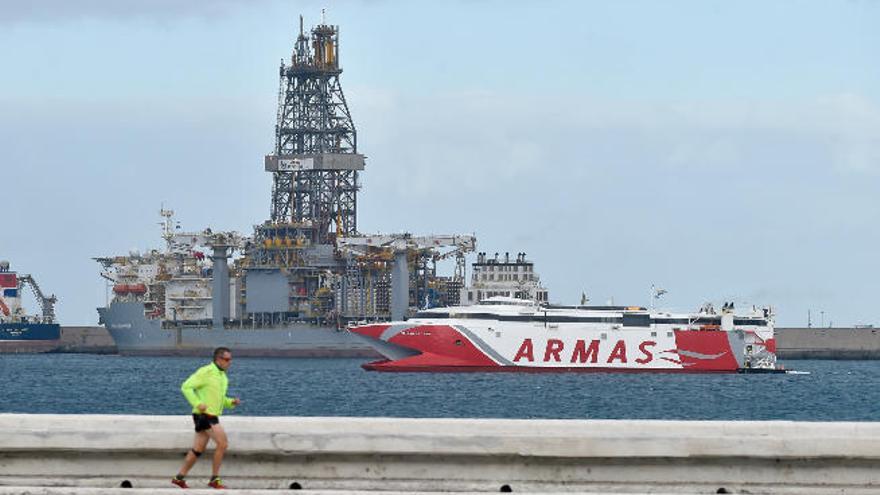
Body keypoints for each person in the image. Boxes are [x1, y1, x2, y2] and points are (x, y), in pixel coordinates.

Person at [172, 347, 241, 489]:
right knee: (222, 444)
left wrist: (230, 402)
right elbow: (186, 387)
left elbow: (218, 399)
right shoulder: (206, 372)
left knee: (197, 449)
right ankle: (214, 479)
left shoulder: (223, 376)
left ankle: (179, 478)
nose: (230, 362)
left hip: (210, 415)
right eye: (227, 359)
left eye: (231, 360)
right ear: (218, 359)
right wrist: (197, 403)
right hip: (204, 416)